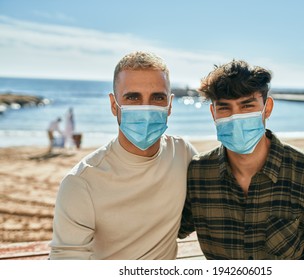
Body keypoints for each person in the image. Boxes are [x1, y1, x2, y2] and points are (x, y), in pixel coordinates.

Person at [179, 60, 304, 260]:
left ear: (267, 108)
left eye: (247, 106)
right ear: (213, 113)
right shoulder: (198, 174)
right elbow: (166, 228)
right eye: (225, 108)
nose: (236, 117)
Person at [49, 51, 197, 259]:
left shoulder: (182, 154)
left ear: (170, 105)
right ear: (113, 104)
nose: (146, 107)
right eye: (133, 97)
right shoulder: (81, 183)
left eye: (157, 97)